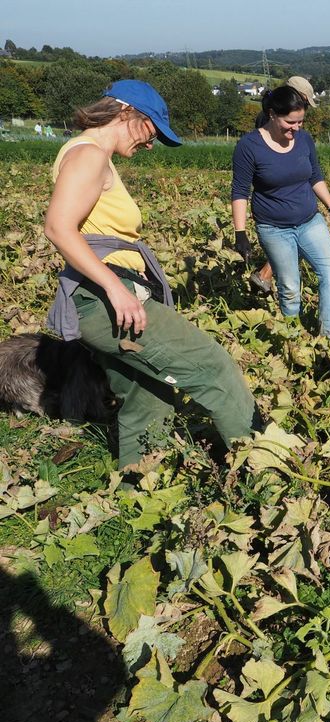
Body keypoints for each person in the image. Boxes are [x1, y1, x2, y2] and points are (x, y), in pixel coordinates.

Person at [43, 80, 262, 468]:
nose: (151, 144)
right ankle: (264, 468)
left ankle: (139, 486)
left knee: (146, 395)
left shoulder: (90, 154)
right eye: (152, 131)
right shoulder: (89, 154)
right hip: (107, 296)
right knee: (214, 367)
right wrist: (116, 289)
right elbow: (59, 227)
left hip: (97, 299)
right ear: (127, 113)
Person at [231, 85, 330, 339]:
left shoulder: (303, 140)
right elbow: (240, 191)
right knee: (290, 287)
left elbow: (315, 175)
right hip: (274, 229)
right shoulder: (249, 146)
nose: (296, 128)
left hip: (309, 222)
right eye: (290, 122)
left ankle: (329, 338)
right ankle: (292, 340)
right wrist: (240, 232)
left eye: (300, 122)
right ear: (272, 115)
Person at [249, 76, 320, 293]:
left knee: (294, 238)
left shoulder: (275, 115)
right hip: (283, 198)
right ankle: (264, 275)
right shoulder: (271, 122)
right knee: (293, 236)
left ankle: (266, 276)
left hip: (291, 195)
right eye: (305, 102)